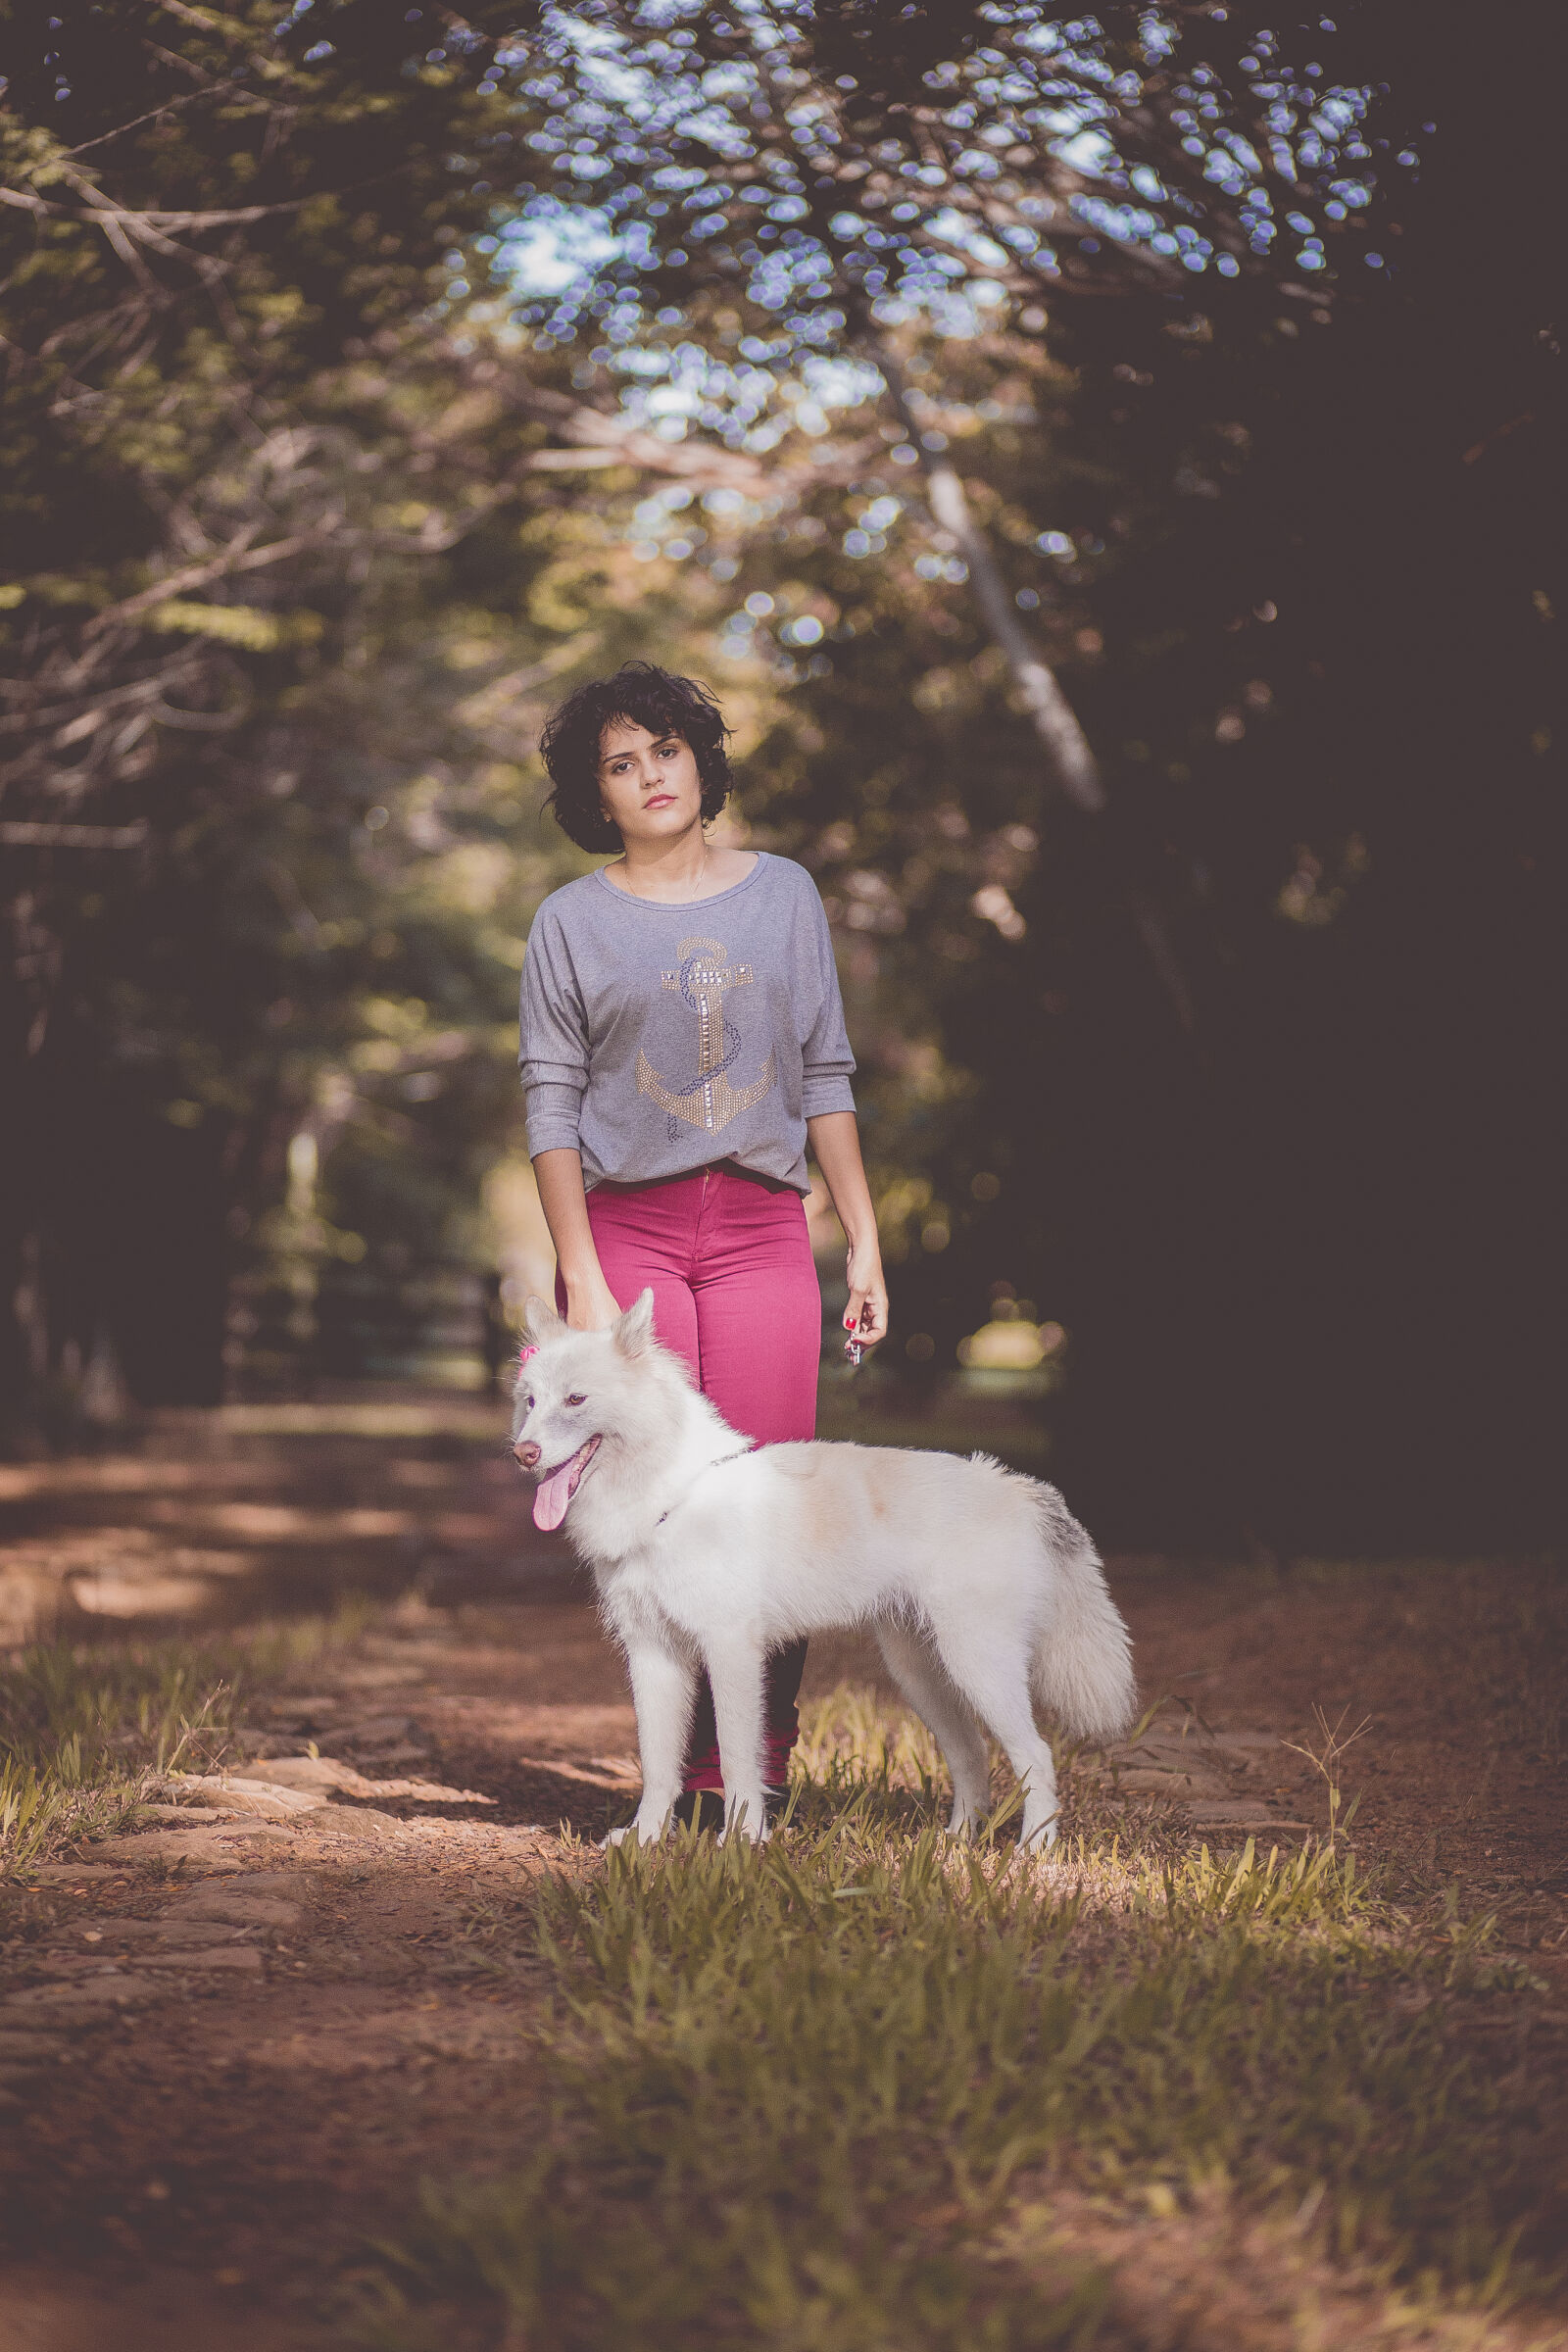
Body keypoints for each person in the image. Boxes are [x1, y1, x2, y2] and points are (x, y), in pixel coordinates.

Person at [519, 660, 888, 1826]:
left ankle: (751, 1776)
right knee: (653, 1511)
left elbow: (824, 1071)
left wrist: (864, 1238)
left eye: (665, 750)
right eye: (619, 765)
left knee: (764, 1505)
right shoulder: (569, 922)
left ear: (700, 759)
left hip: (759, 1231)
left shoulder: (783, 896)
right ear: (598, 795)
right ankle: (667, 1782)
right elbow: (552, 1102)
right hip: (627, 1234)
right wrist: (578, 1267)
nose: (648, 777)